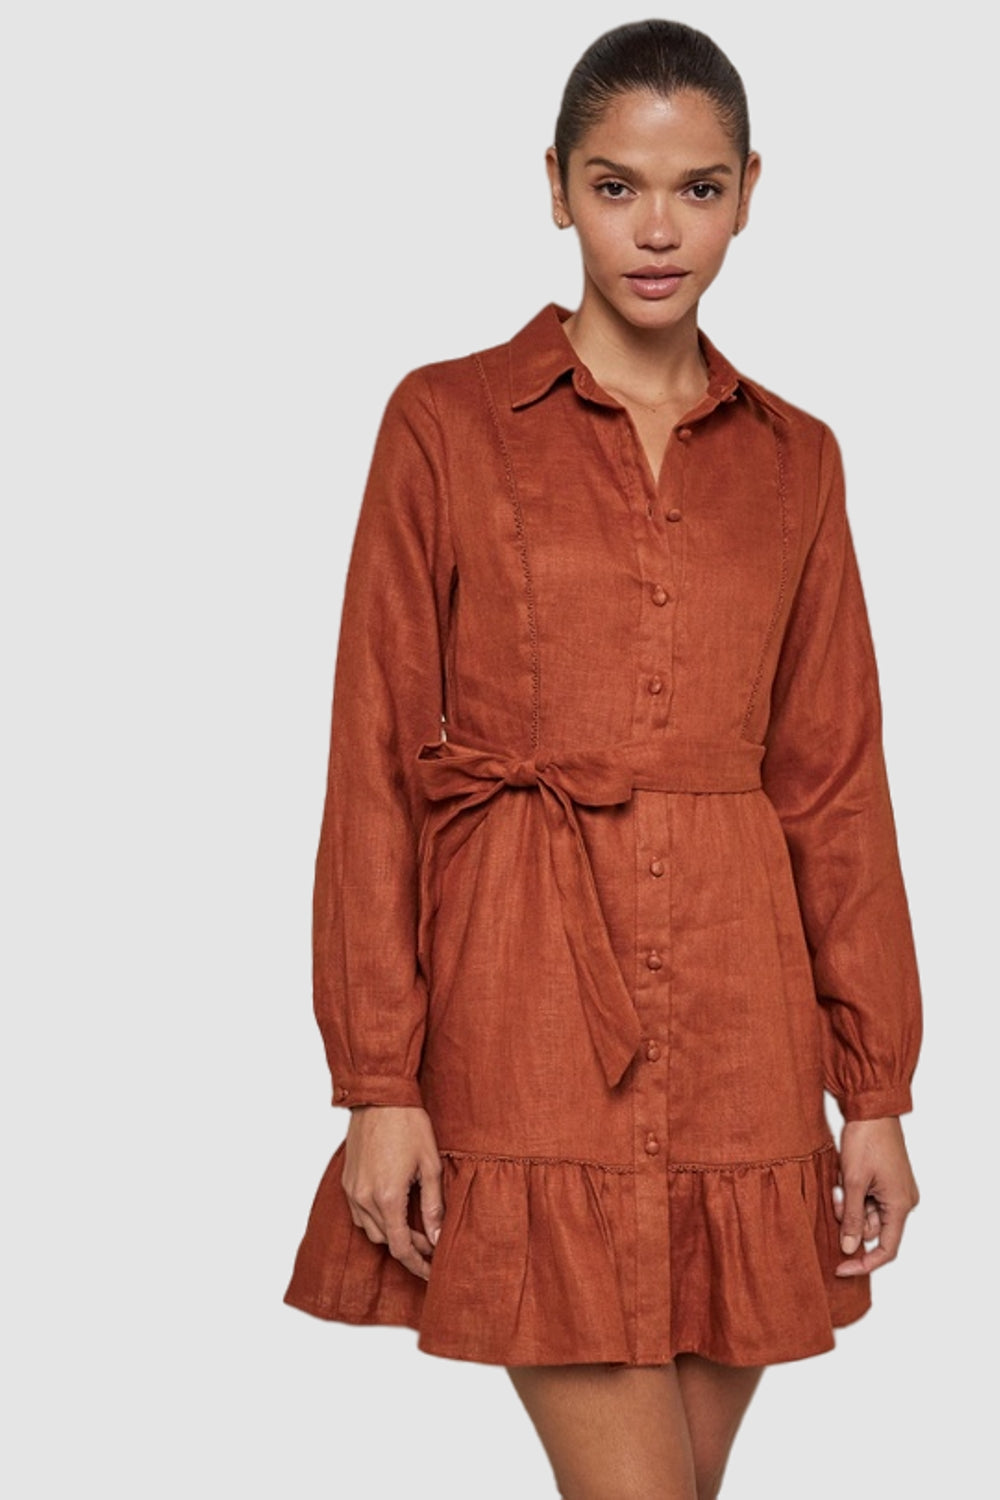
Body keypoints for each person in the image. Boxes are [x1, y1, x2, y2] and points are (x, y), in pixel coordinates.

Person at [283, 18, 923, 1498]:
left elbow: (834, 784)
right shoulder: (444, 420)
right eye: (616, 185)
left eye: (698, 188)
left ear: (751, 192)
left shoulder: (799, 459)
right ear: (556, 187)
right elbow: (373, 760)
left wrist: (877, 1090)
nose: (657, 229)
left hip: (745, 1037)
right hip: (524, 1019)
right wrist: (377, 1079)